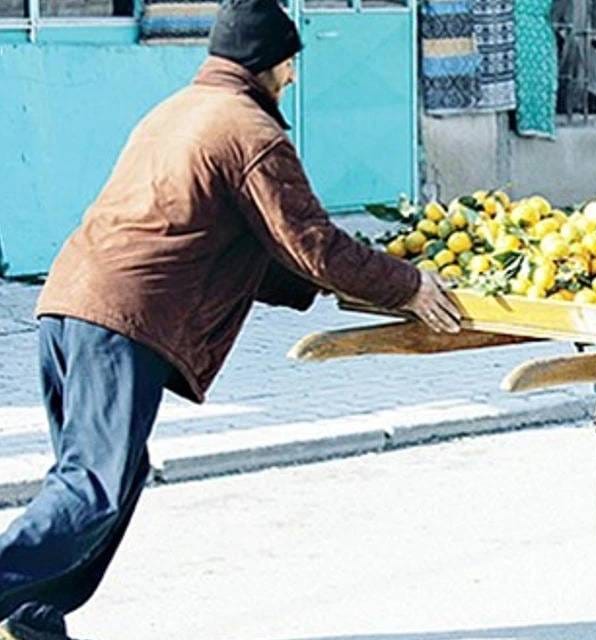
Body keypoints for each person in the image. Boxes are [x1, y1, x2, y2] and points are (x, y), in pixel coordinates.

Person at [0, 0, 461, 636]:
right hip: (120, 321)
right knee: (92, 489)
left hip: (67, 306)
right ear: (265, 63)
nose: (294, 77)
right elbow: (313, 243)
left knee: (99, 479)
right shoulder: (248, 131)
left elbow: (239, 244)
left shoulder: (178, 112)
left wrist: (332, 290)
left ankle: (29, 617)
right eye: (290, 62)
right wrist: (406, 285)